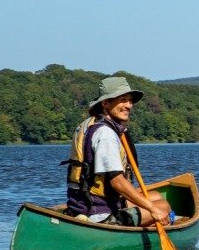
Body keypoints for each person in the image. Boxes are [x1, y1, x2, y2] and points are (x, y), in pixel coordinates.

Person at [64, 76, 172, 227]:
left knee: (156, 196)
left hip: (82, 204)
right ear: (106, 103)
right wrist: (153, 210)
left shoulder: (91, 124)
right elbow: (117, 182)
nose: (129, 105)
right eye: (122, 100)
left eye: (130, 100)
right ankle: (149, 222)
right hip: (98, 213)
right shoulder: (106, 134)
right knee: (163, 207)